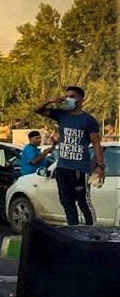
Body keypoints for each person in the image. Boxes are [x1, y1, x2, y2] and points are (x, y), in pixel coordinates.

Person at [34, 86, 106, 226]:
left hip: (79, 168)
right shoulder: (62, 115)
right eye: (66, 96)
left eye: (72, 96)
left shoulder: (88, 120)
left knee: (83, 201)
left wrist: (100, 166)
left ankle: (91, 231)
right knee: (66, 202)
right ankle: (73, 229)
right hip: (62, 168)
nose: (68, 99)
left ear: (81, 99)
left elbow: (96, 143)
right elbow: (37, 110)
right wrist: (50, 100)